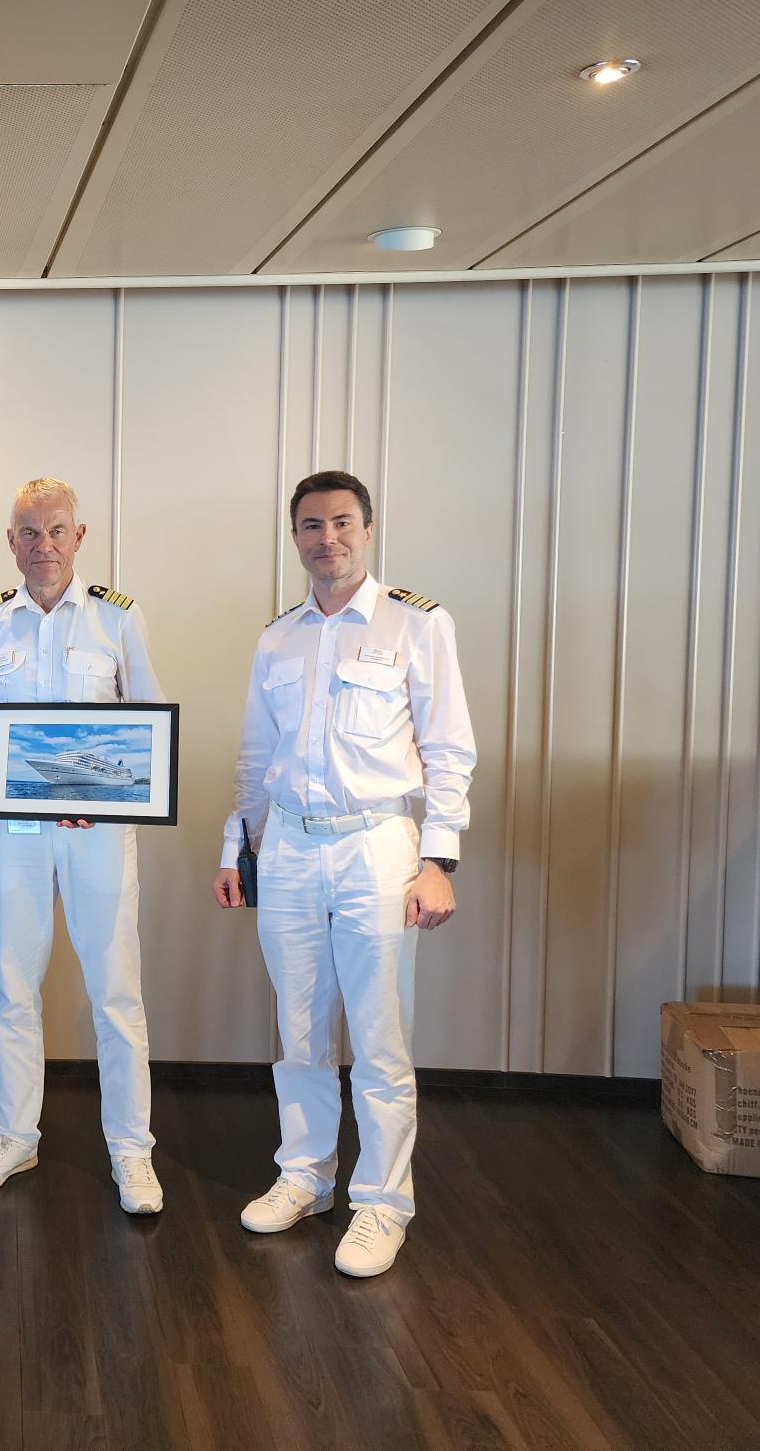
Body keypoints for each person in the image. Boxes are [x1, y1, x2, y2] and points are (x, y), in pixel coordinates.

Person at [212, 469, 476, 1278]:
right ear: (294, 536)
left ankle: (382, 1203)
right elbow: (258, 755)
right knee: (298, 1030)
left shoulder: (416, 626)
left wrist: (439, 859)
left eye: (342, 523)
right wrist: (237, 846)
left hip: (377, 848)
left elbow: (449, 750)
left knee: (378, 1036)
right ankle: (305, 1175)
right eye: (311, 526)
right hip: (288, 845)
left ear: (367, 530)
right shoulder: (278, 637)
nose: (327, 539)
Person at [0, 478, 166, 1215]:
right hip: (14, 829)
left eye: (55, 531)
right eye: (27, 533)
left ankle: (131, 1149)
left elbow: (146, 733)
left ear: (79, 538)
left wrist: (99, 795)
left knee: (115, 988)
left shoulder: (118, 618)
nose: (42, 546)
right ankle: (14, 1133)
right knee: (14, 982)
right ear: (10, 542)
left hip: (98, 832)